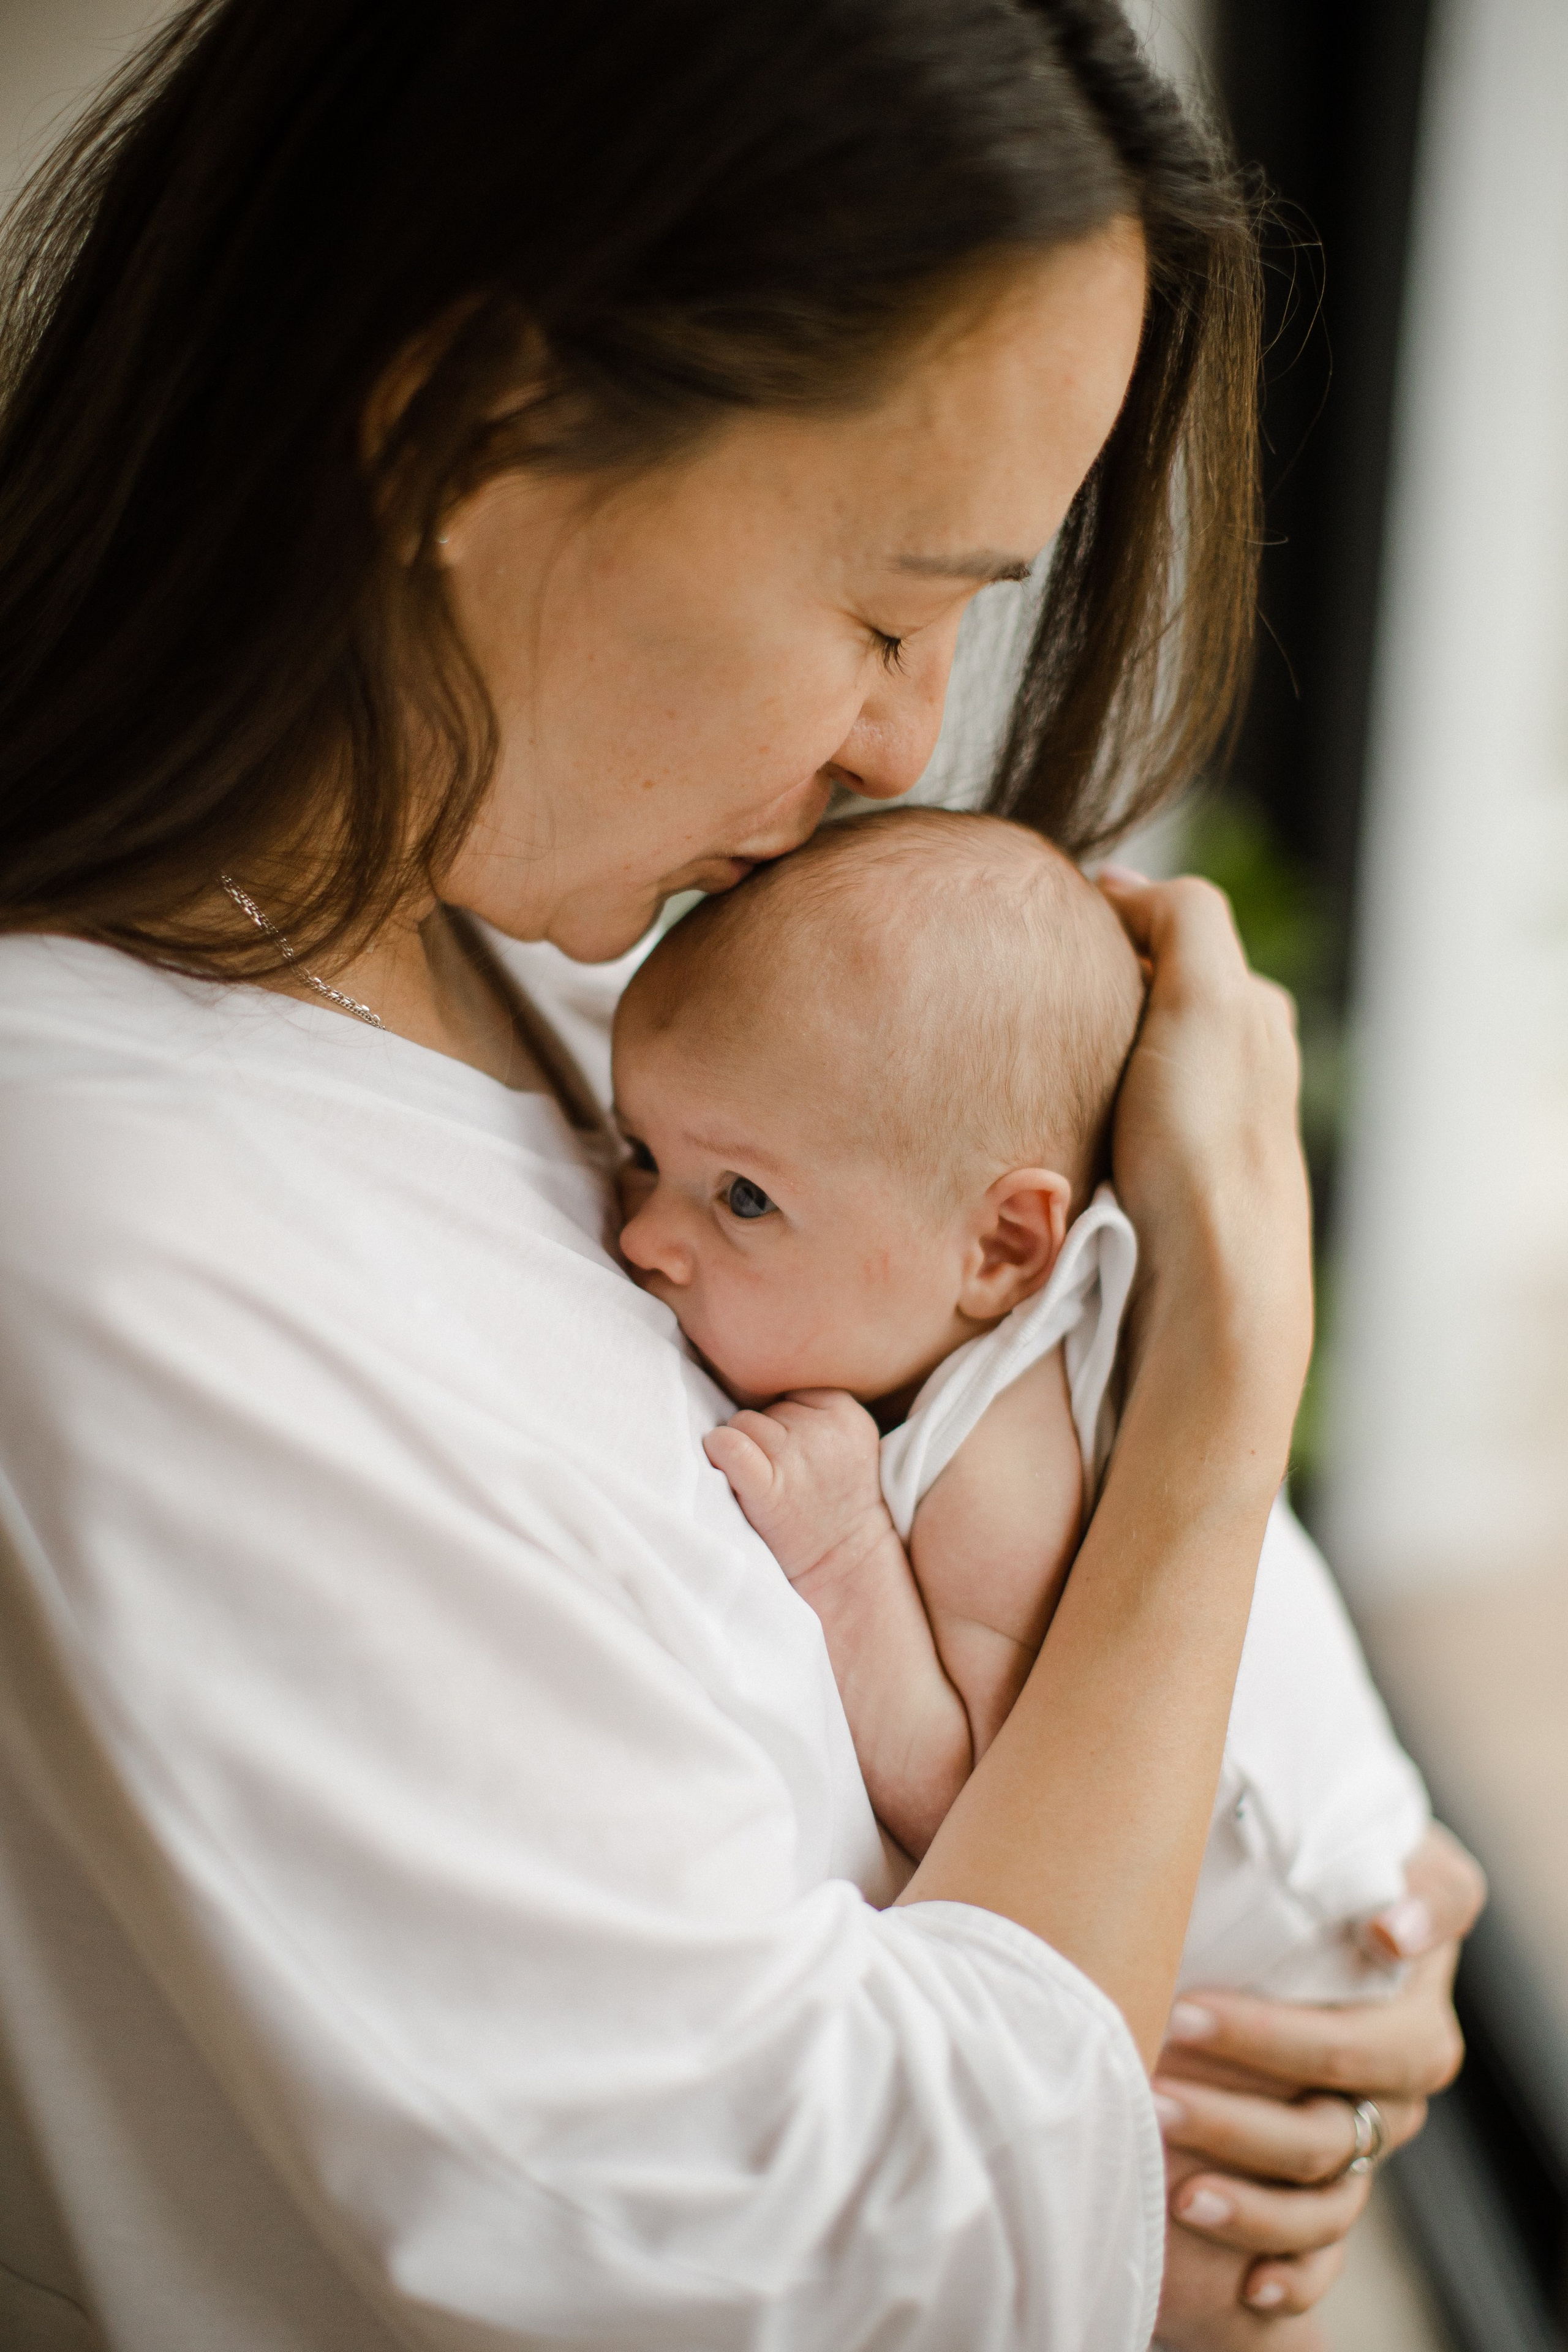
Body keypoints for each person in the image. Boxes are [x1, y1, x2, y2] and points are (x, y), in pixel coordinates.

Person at [0, 4, 1482, 2348]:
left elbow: (1053, 1551)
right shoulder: (108, 1232)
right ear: (468, 432)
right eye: (890, 611)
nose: (909, 737)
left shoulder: (607, 984)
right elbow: (880, 2286)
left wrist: (1313, 1941)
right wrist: (1223, 1398)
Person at [614, 805, 1433, 2003]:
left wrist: (845, 1553)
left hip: (1301, 1932)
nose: (641, 1235)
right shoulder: (939, 1304)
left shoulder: (1000, 1459)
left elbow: (980, 1805)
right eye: (638, 1151)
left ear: (1001, 1247)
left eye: (739, 1197)